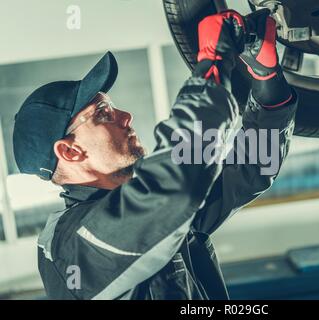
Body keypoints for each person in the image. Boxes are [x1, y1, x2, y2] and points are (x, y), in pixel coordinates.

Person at [12, 9, 298, 300]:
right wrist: (212, 61)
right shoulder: (71, 246)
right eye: (102, 113)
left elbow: (249, 171)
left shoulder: (149, 210)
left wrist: (266, 80)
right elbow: (178, 182)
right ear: (70, 151)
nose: (125, 116)